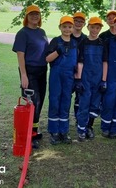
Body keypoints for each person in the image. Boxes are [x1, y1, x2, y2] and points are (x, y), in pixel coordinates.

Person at [12, 4, 49, 149]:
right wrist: (24, 75)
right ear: (26, 16)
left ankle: (34, 130)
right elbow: (20, 55)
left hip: (42, 71)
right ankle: (28, 135)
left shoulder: (41, 32)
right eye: (32, 14)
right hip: (30, 71)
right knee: (33, 102)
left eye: (37, 14)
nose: (35, 16)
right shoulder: (23, 33)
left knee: (40, 102)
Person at [75, 17, 108, 142]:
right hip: (85, 79)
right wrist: (78, 79)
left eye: (97, 27)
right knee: (84, 104)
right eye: (92, 27)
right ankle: (81, 130)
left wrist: (104, 80)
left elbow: (105, 62)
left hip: (98, 79)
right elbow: (80, 62)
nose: (95, 30)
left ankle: (89, 127)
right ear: (88, 27)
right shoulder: (83, 43)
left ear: (100, 29)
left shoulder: (102, 43)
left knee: (95, 105)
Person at [46, 16, 78, 145]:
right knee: (54, 100)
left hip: (69, 76)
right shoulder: (55, 41)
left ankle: (64, 131)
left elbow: (77, 61)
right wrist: (57, 52)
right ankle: (54, 131)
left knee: (66, 101)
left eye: (69, 27)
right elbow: (47, 59)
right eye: (64, 26)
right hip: (56, 74)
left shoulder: (75, 43)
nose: (67, 29)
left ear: (73, 28)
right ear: (60, 27)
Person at [71, 12, 87, 122]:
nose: (78, 23)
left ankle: (78, 119)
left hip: (82, 72)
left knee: (80, 96)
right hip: (68, 71)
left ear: (84, 24)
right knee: (65, 96)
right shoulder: (66, 35)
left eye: (81, 21)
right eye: (76, 20)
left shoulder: (85, 38)